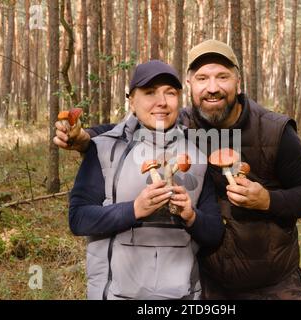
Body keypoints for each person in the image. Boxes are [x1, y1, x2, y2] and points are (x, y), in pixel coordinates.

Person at [55, 40, 301, 300]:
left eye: (222, 77)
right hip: (209, 280)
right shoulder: (184, 122)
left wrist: (268, 200)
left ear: (238, 82)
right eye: (202, 78)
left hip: (271, 282)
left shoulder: (275, 130)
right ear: (190, 85)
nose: (212, 88)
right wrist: (86, 139)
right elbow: (130, 128)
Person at [68, 60, 224, 300]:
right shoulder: (104, 148)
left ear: (179, 99)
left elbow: (214, 233)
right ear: (132, 101)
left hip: (183, 296)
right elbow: (78, 219)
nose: (161, 102)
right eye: (150, 92)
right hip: (114, 295)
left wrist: (191, 217)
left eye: (170, 93)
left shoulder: (198, 153)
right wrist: (134, 210)